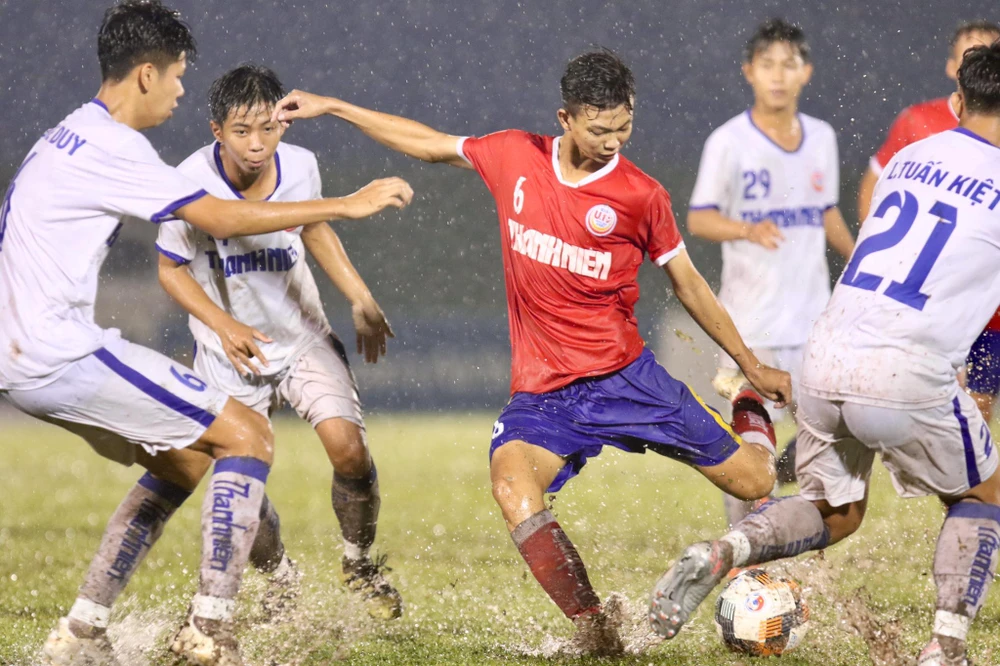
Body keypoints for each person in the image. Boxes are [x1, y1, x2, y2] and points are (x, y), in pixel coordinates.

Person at [267, 49, 791, 651]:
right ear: (565, 118)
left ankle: (748, 403)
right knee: (512, 487)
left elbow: (688, 284)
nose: (613, 142)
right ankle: (596, 629)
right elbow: (429, 144)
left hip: (627, 381)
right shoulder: (515, 156)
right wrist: (335, 107)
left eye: (624, 128)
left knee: (754, 481)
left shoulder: (641, 195)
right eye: (599, 130)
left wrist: (751, 365)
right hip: (545, 395)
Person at [0, 3, 412, 665]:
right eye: (177, 75)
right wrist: (348, 204)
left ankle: (83, 629)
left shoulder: (67, 134)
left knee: (185, 460)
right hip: (57, 350)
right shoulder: (115, 148)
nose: (180, 89)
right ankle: (210, 628)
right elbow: (218, 219)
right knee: (247, 436)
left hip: (24, 354)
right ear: (146, 75)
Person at [650, 42, 1000, 666]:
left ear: (957, 100)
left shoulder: (912, 156)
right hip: (905, 366)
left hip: (826, 349)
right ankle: (946, 648)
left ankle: (726, 550)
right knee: (981, 496)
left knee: (835, 512)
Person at [155, 63, 401, 620]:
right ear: (217, 130)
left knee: (349, 449)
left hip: (301, 335)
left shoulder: (301, 165)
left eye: (268, 128)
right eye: (241, 131)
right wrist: (223, 325)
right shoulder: (187, 180)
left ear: (282, 126)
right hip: (228, 353)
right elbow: (170, 269)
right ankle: (281, 579)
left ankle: (359, 565)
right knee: (239, 484)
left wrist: (360, 297)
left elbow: (312, 227)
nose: (256, 143)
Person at [687, 19, 854, 525]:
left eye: (788, 65)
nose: (778, 76)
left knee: (832, 438)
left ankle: (806, 530)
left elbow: (826, 213)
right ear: (749, 72)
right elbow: (699, 219)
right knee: (748, 448)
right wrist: (745, 227)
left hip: (812, 323)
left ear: (806, 72)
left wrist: (861, 258)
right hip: (750, 324)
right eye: (767, 65)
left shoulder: (821, 137)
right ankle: (745, 548)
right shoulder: (729, 141)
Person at [857, 20, 1000, 425]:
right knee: (921, 405)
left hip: (989, 306)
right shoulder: (918, 123)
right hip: (925, 297)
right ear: (954, 67)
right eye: (973, 54)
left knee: (976, 408)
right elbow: (871, 190)